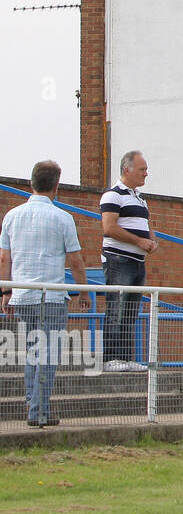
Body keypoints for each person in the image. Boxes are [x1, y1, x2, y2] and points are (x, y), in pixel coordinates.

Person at [0, 160, 88, 427]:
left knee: (32, 351)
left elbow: (5, 259)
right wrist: (83, 292)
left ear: (31, 183)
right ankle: (38, 411)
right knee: (48, 354)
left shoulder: (12, 216)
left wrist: (5, 291)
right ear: (56, 186)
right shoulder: (63, 218)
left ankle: (33, 401)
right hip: (51, 296)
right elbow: (75, 260)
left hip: (23, 294)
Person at [100, 151, 157, 372]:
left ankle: (126, 357)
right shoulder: (112, 196)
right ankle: (110, 358)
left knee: (131, 310)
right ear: (127, 170)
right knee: (116, 308)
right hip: (118, 259)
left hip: (137, 261)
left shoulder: (140, 198)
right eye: (142, 169)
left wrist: (151, 241)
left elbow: (147, 225)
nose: (146, 173)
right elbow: (109, 227)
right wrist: (138, 241)